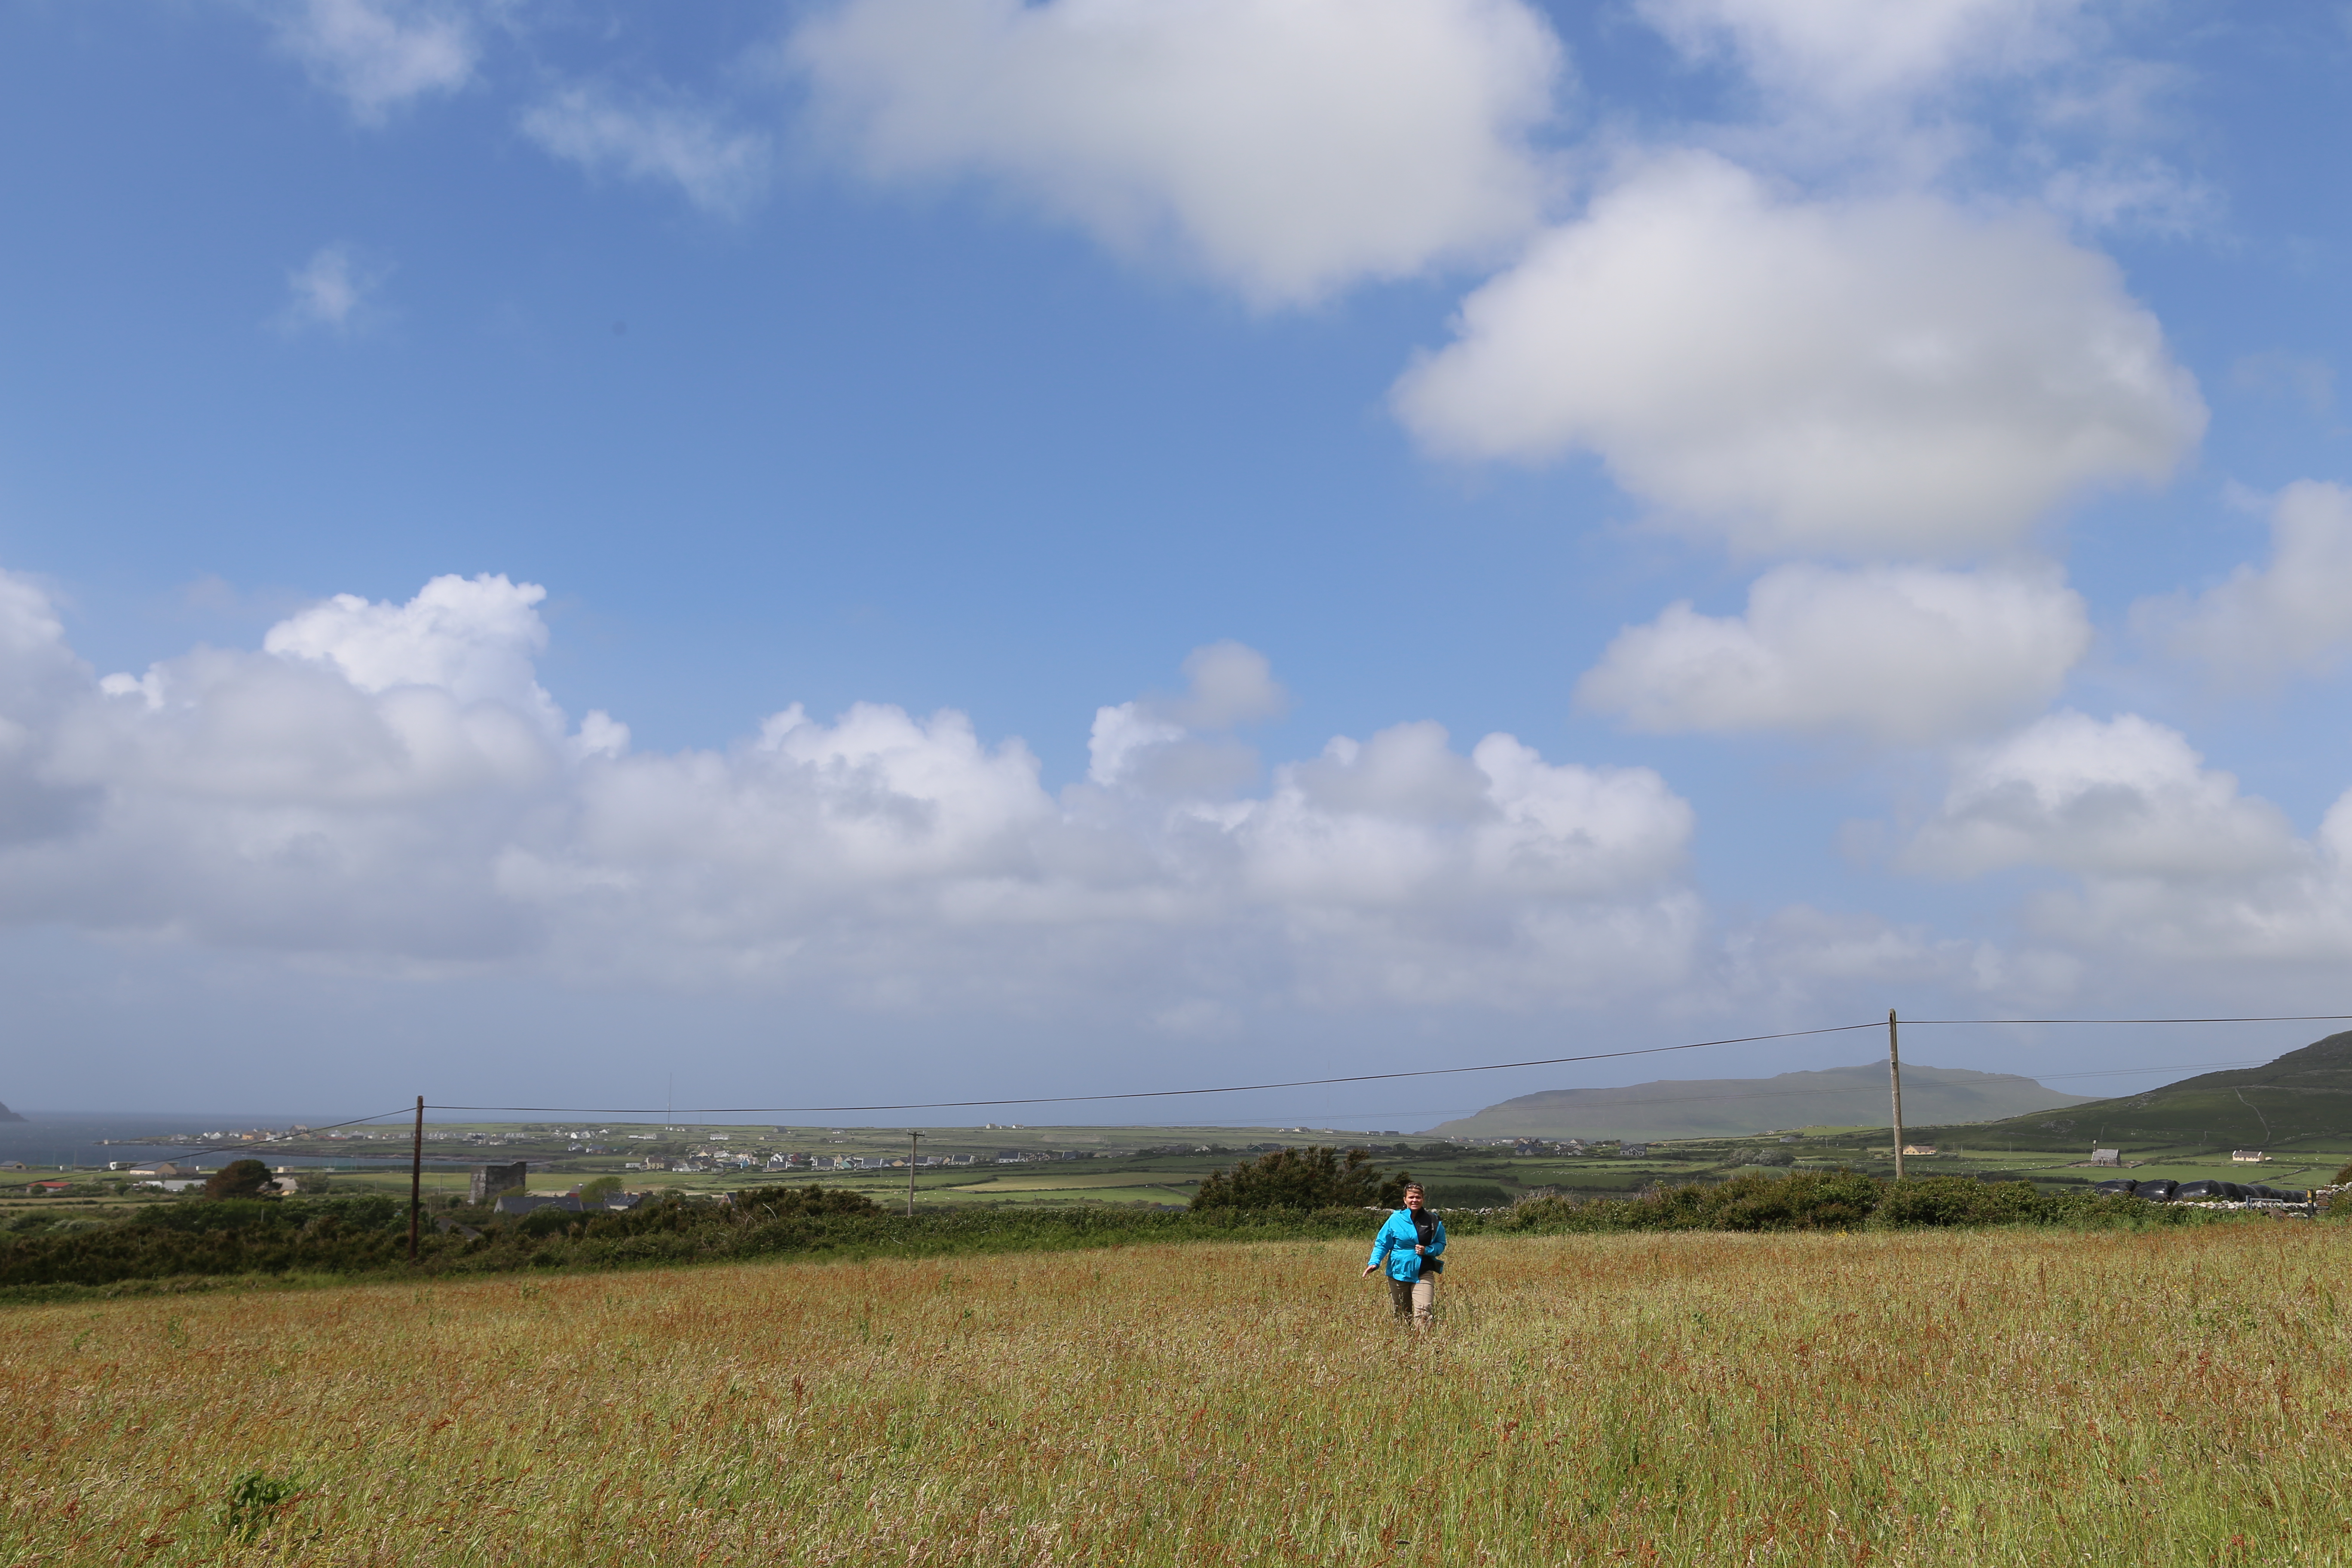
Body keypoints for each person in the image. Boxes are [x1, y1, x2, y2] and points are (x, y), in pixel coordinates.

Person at [1363, 1182, 1445, 1327]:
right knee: (1401, 1312)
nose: (1415, 1200)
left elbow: (1441, 1244)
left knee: (1424, 1310)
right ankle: (1404, 1343)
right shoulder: (1395, 1219)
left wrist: (1428, 1250)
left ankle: (1423, 1343)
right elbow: (1382, 1243)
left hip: (1423, 1272)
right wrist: (1374, 1263)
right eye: (1411, 1197)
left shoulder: (1433, 1220)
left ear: (1423, 1199)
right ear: (1405, 1199)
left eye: (1418, 1197)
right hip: (1398, 1272)